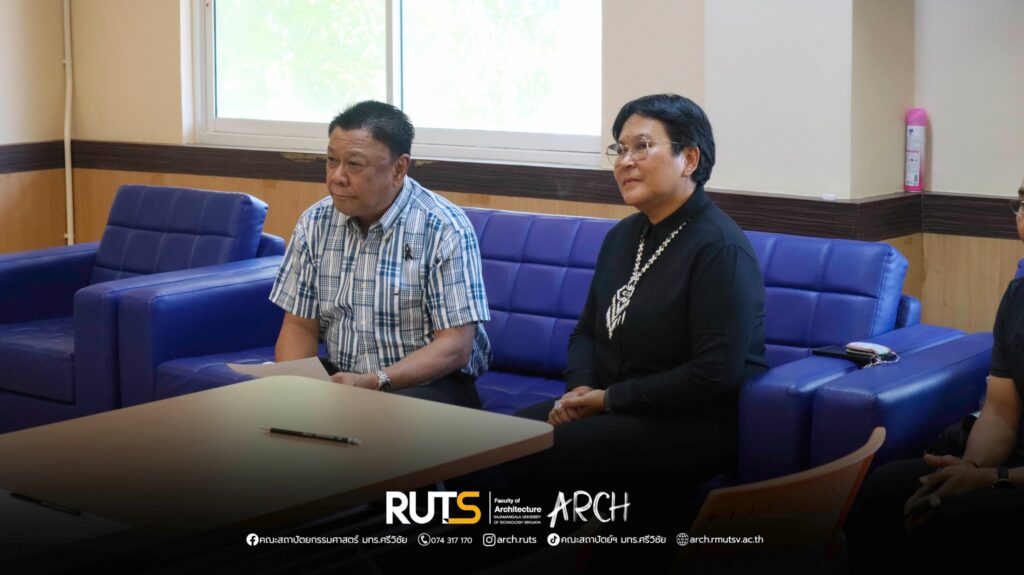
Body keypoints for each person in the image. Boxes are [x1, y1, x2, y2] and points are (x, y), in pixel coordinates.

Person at [504, 94, 768, 513]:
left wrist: (607, 400)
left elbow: (713, 373)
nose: (625, 162)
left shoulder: (720, 248)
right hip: (612, 405)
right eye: (620, 149)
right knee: (495, 444)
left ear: (689, 159)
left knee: (543, 455)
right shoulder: (622, 237)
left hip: (689, 423)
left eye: (642, 147)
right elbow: (586, 331)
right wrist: (581, 389)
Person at [845, 180, 1024, 571]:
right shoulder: (1018, 296)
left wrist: (994, 479)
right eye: (1023, 204)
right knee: (883, 490)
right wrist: (967, 471)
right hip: (1008, 465)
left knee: (951, 521)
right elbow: (1000, 412)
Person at [269, 100, 490, 408]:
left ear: (399, 168)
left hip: (430, 383)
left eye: (354, 165)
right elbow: (299, 326)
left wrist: (377, 381)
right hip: (346, 376)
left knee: (373, 419)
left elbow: (455, 346)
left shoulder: (443, 227)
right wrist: (293, 388)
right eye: (331, 161)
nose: (337, 176)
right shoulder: (314, 222)